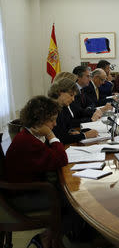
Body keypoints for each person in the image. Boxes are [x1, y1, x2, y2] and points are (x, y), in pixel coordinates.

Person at [5, 96, 68, 247]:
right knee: (73, 204)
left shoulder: (27, 135)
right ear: (39, 121)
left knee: (68, 195)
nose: (55, 124)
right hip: (22, 198)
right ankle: (45, 239)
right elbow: (61, 159)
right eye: (51, 120)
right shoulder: (28, 142)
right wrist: (51, 135)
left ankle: (50, 237)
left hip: (28, 190)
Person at [49, 78, 98, 144]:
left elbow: (67, 127)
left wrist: (77, 132)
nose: (73, 99)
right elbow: (60, 138)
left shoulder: (63, 107)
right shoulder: (52, 109)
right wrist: (84, 135)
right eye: (71, 95)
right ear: (60, 92)